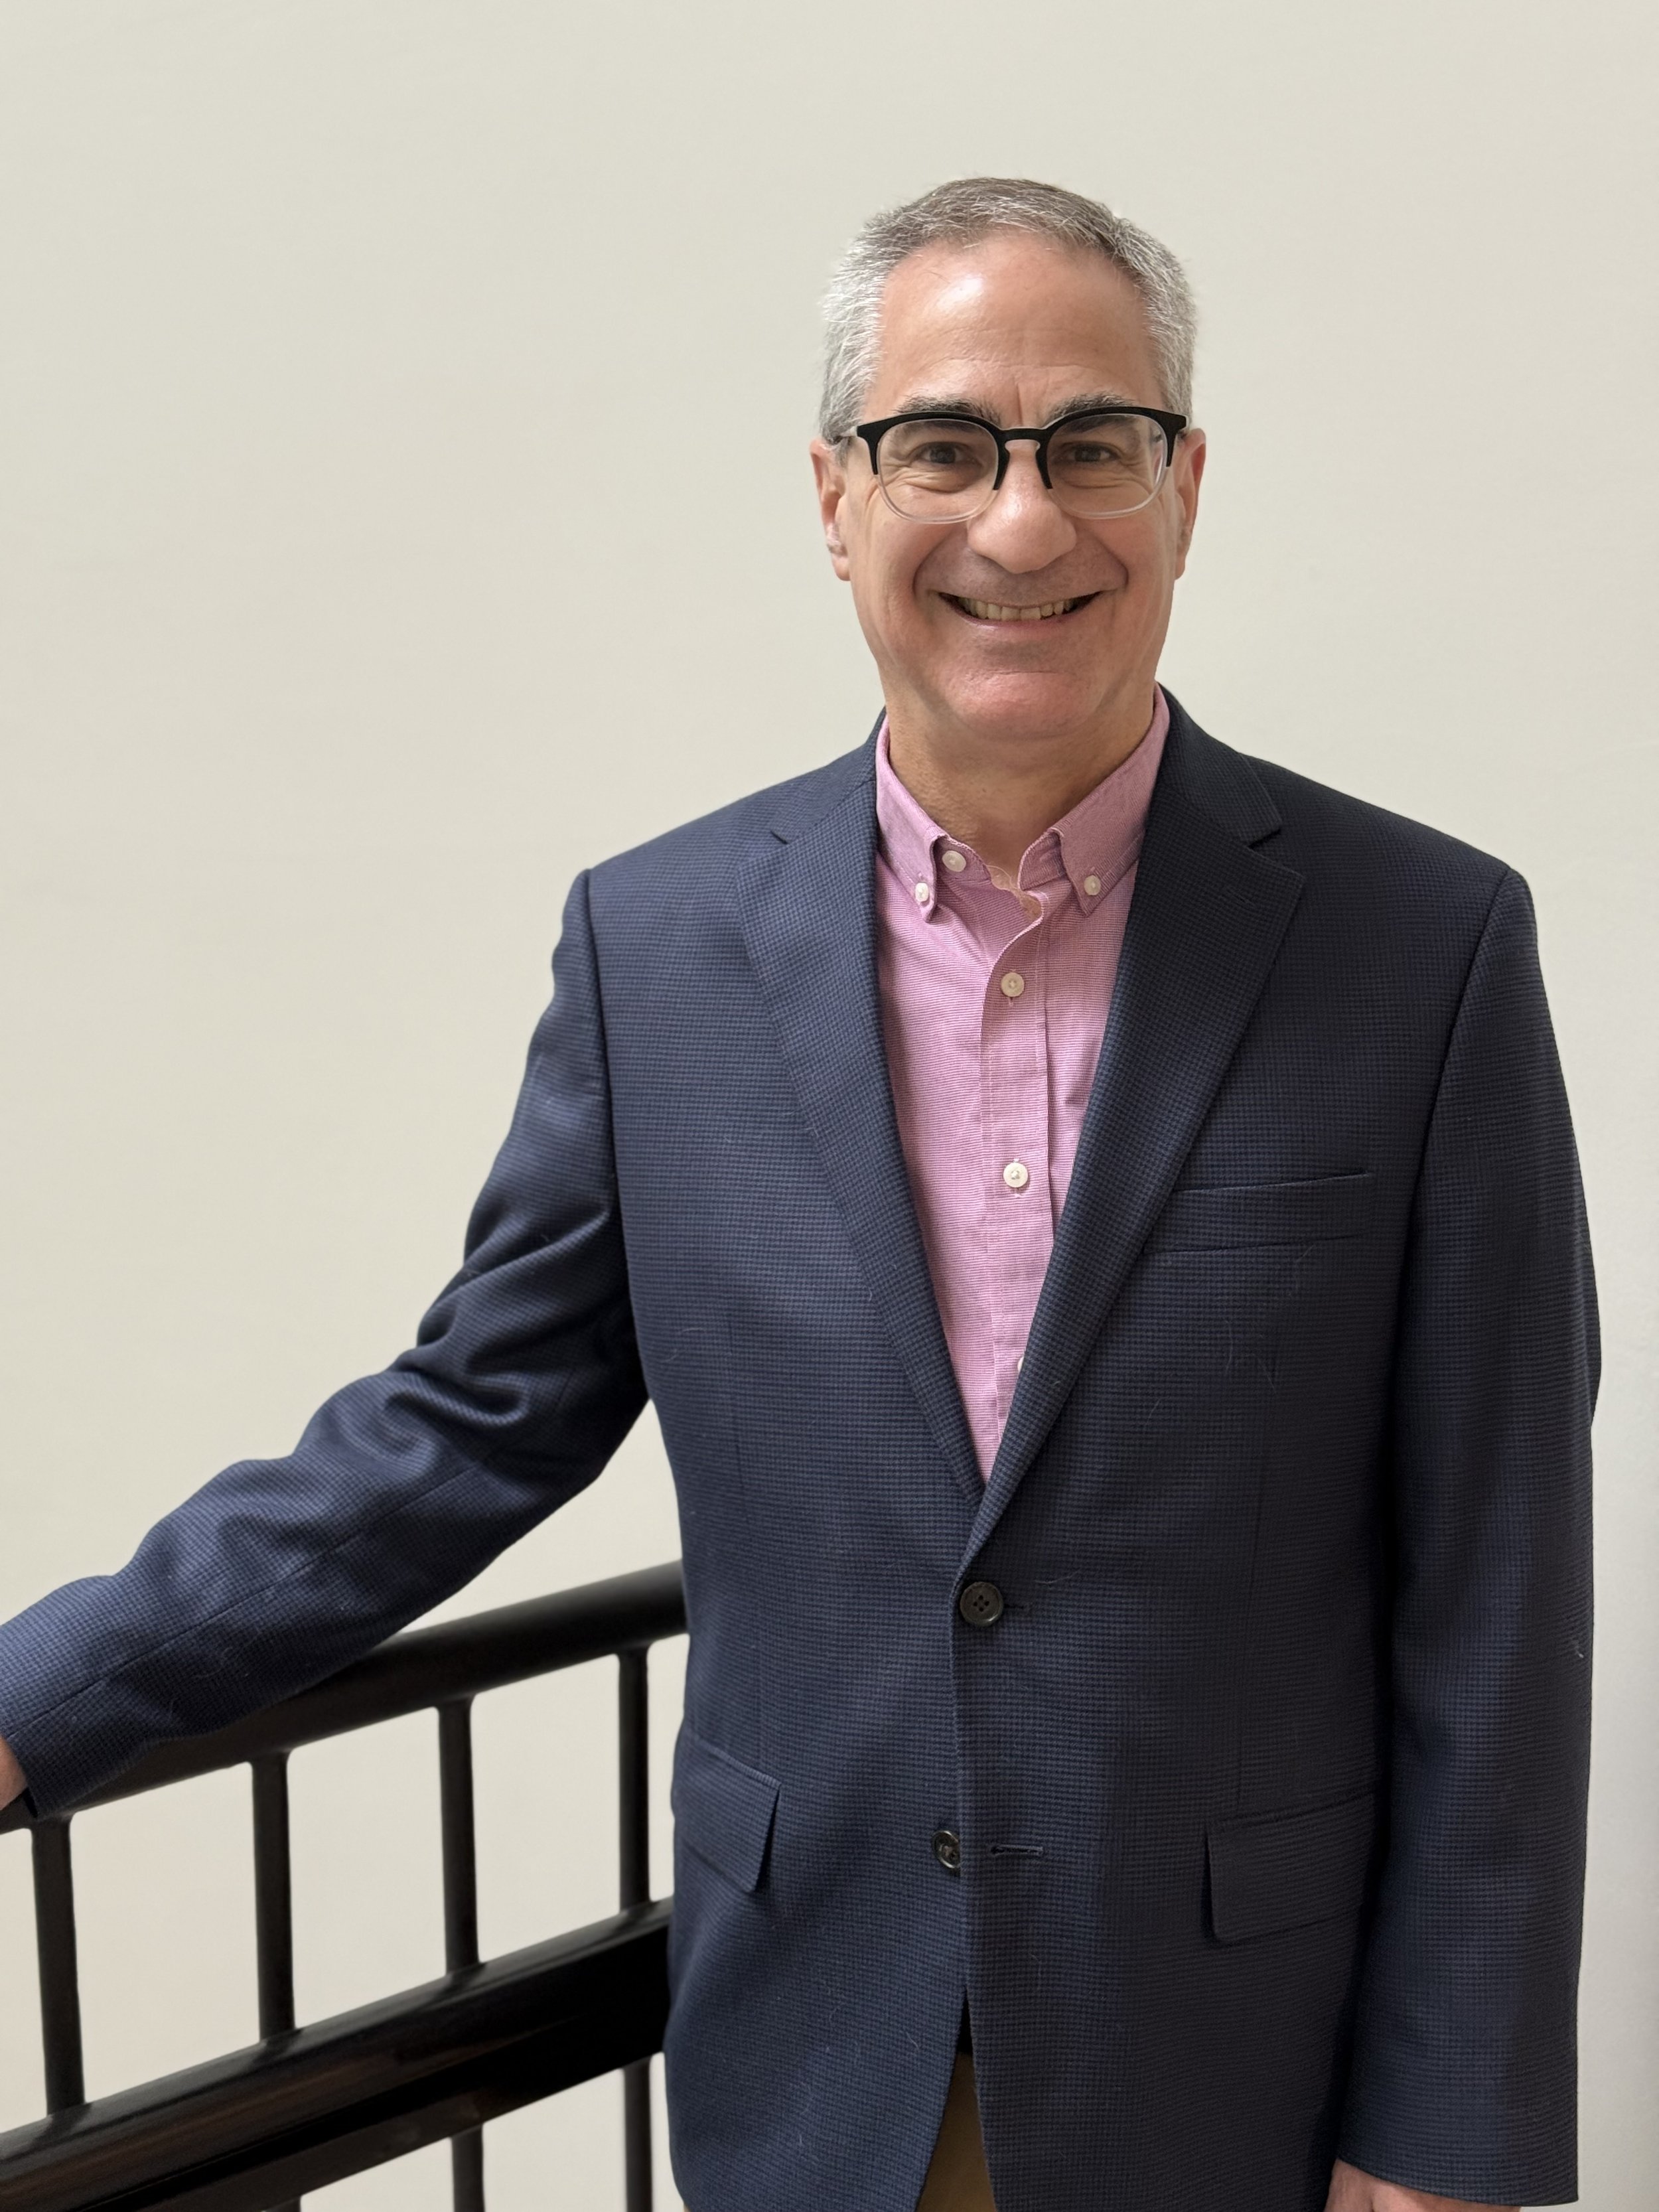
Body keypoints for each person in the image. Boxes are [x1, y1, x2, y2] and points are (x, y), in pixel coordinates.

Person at [0, 178, 1595, 2212]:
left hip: (1240, 2056)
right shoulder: (654, 949)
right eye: (940, 447)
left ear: (1182, 487)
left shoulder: (1419, 943)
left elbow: (1496, 1575)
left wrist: (1448, 2125)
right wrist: (35, 1699)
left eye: (1089, 445)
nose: (1019, 523)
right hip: (816, 2030)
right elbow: (466, 1421)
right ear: (834, 497)